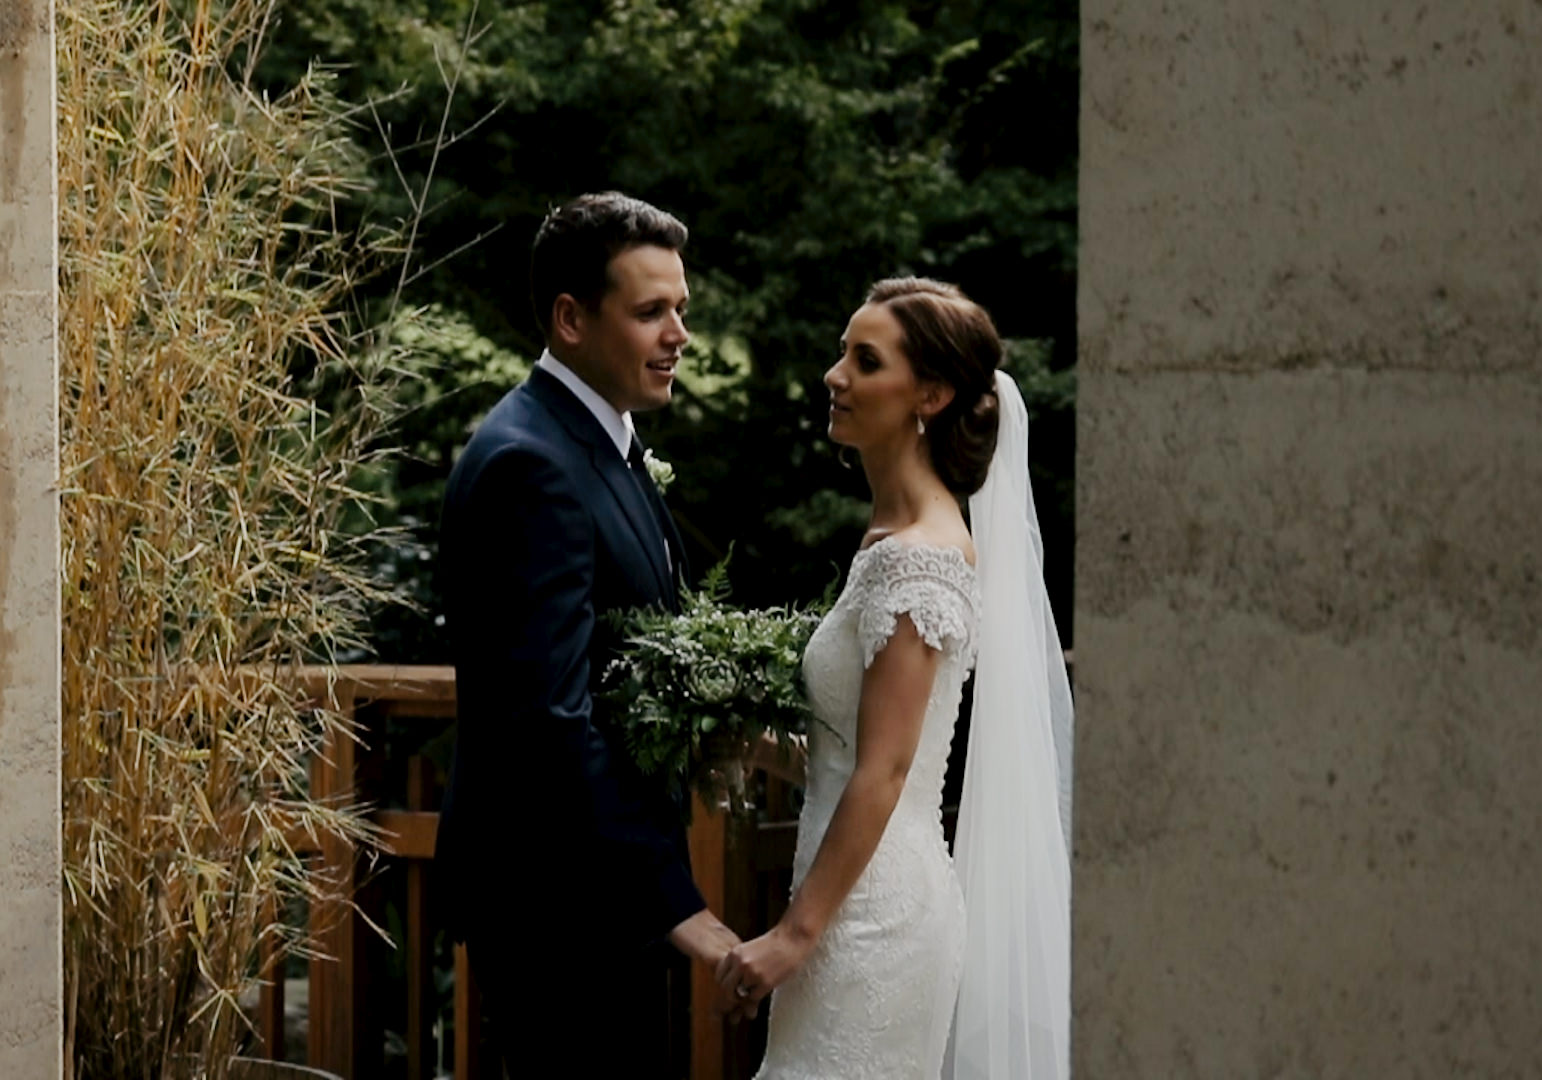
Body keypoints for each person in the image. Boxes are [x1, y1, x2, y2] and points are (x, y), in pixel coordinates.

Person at [719, 278, 1074, 1079]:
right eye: (843, 353)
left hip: (872, 915)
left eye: (864, 360)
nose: (834, 375)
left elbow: (886, 771)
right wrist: (754, 743)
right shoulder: (887, 538)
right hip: (847, 886)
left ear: (932, 394)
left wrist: (793, 936)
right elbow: (854, 755)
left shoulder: (921, 557)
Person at [435, 192, 746, 1076]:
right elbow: (547, 719)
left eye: (680, 309)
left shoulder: (601, 444)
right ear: (571, 318)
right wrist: (676, 902)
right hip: (558, 909)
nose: (678, 333)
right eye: (651, 312)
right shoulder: (531, 464)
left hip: (600, 902)